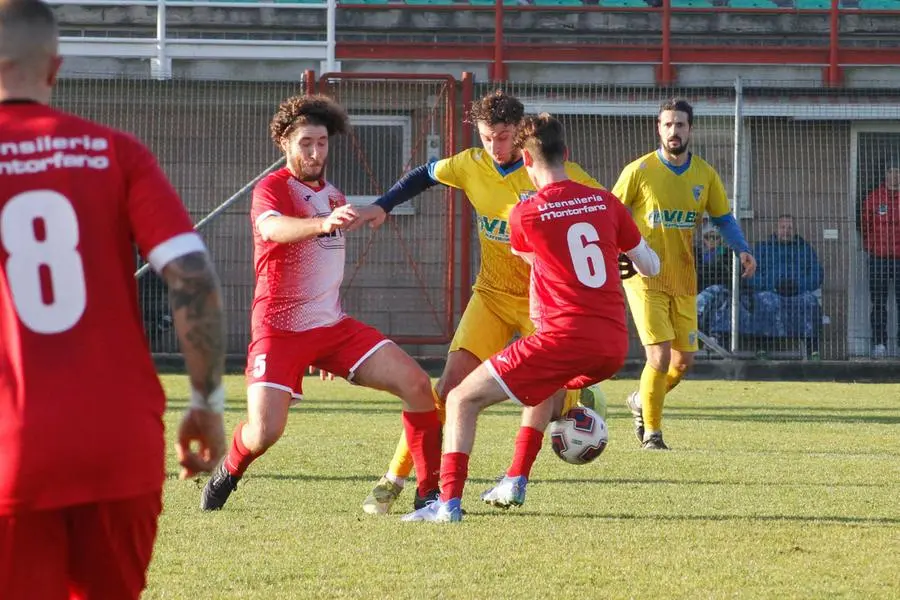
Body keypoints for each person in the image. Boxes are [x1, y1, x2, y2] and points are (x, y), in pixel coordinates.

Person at [0, 1, 227, 598]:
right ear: (55, 66)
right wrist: (206, 398)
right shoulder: (116, 151)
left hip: (10, 453)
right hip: (119, 446)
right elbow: (193, 277)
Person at [353, 91, 606, 514]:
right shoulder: (471, 164)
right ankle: (396, 478)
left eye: (504, 137)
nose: (496, 147)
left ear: (521, 134)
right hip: (490, 295)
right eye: (488, 137)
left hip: (542, 301)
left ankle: (518, 477)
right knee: (447, 389)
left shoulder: (553, 172)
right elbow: (424, 173)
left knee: (538, 389)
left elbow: (603, 209)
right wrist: (384, 205)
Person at [402, 113, 659, 522]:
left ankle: (446, 504)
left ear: (525, 160)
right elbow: (650, 266)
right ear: (567, 154)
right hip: (612, 346)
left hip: (563, 336)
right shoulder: (606, 202)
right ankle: (515, 479)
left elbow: (533, 260)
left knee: (461, 398)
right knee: (543, 383)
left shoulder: (525, 215)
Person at [199, 94, 443, 512]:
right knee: (264, 433)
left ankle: (430, 495)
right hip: (280, 330)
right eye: (306, 143)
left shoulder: (333, 193)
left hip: (332, 328)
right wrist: (321, 223)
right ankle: (228, 472)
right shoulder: (272, 189)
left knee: (418, 385)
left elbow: (322, 267)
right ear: (286, 145)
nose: (315, 152)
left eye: (322, 143)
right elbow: (273, 229)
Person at [613, 98, 756, 450]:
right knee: (658, 356)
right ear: (658, 128)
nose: (673, 131)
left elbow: (723, 218)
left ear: (690, 129)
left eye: (680, 125)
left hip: (683, 277)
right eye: (667, 125)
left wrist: (743, 249)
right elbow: (610, 215)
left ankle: (639, 402)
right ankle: (653, 434)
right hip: (643, 275)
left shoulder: (704, 175)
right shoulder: (639, 170)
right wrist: (615, 253)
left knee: (682, 362)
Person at [746, 215, 823, 357]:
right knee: (764, 300)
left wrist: (798, 286)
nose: (786, 231)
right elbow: (751, 275)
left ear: (795, 230)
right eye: (782, 227)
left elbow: (817, 273)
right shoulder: (762, 248)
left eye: (790, 228)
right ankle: (762, 348)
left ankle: (813, 350)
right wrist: (773, 286)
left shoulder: (805, 249)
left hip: (797, 293)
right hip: (771, 292)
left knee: (810, 301)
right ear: (776, 229)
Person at [860, 161, 900, 358]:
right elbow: (864, 225)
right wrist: (872, 246)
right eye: (891, 172)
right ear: (885, 175)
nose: (894, 176)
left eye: (897, 173)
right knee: (878, 303)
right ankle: (879, 344)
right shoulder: (874, 198)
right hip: (879, 258)